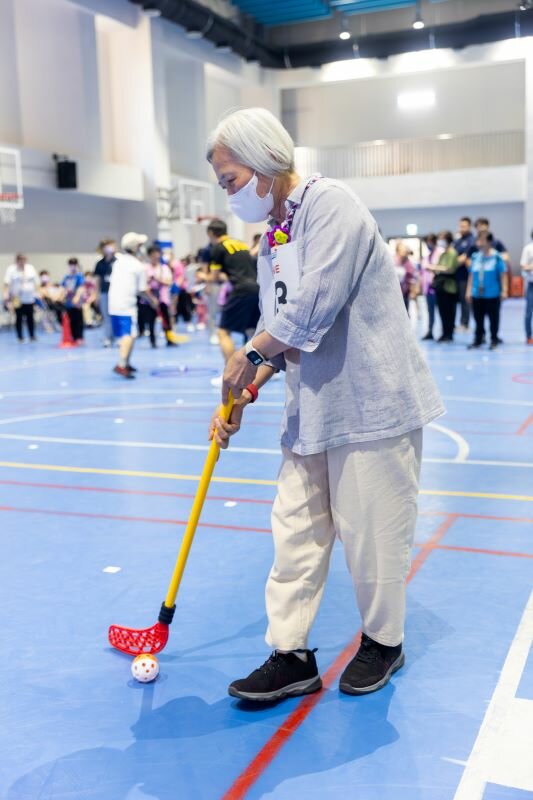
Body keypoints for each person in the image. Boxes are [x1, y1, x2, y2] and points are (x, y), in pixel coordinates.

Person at [206, 107, 444, 702]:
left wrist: (250, 356)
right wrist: (244, 392)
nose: (230, 195)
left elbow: (312, 306)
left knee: (372, 534)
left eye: (231, 180)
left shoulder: (331, 205)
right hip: (310, 407)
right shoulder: (273, 239)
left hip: (371, 403)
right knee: (294, 532)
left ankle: (383, 641)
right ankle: (292, 655)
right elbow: (275, 321)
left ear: (263, 163)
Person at [204, 218, 260, 387]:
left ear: (211, 234)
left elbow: (214, 278)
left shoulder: (217, 248)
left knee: (222, 332)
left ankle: (230, 373)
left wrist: (202, 277)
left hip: (240, 291)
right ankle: (260, 370)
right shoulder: (241, 244)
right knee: (253, 332)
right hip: (256, 289)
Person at [108, 232, 153, 378]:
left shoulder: (118, 262)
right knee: (129, 335)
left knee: (126, 335)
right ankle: (121, 365)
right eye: (140, 245)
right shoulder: (137, 265)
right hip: (126, 305)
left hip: (113, 304)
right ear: (135, 247)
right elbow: (143, 289)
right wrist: (154, 301)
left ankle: (126, 362)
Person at [466, 231, 508, 350]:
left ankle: (494, 339)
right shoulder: (475, 256)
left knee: (493, 318)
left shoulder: (497, 257)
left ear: (489, 242)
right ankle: (478, 339)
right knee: (478, 318)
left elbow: (503, 274)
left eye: (481, 240)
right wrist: (468, 291)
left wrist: (504, 290)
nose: (478, 242)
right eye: (478, 240)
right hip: (476, 293)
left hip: (492, 293)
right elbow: (471, 275)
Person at [429, 231, 459, 342]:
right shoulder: (442, 254)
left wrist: (434, 268)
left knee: (449, 312)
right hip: (440, 287)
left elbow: (450, 269)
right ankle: (444, 333)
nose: (440, 241)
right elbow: (439, 267)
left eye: (442, 239)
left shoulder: (452, 253)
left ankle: (449, 334)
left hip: (449, 287)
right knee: (442, 312)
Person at [3, 254, 39, 342]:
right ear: (17, 261)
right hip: (17, 298)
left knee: (30, 317)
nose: (22, 262)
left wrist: (37, 293)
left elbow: (37, 282)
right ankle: (20, 337)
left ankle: (32, 336)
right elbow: (6, 283)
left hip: (29, 298)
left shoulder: (30, 268)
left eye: (24, 260)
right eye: (20, 260)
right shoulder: (11, 269)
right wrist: (6, 295)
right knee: (18, 317)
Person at [453, 217, 475, 332]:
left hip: (466, 276)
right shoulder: (457, 241)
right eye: (460, 226)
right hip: (456, 275)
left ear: (469, 226)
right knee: (456, 300)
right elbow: (452, 253)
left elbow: (464, 258)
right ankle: (458, 322)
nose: (462, 228)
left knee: (464, 300)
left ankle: (465, 323)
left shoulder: (472, 240)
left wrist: (452, 262)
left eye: (464, 226)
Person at [419, 234, 443, 341]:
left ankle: (444, 332)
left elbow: (442, 268)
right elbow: (423, 272)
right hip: (428, 288)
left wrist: (432, 267)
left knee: (442, 311)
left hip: (439, 287)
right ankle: (430, 331)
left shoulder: (441, 253)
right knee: (430, 311)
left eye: (430, 241)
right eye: (427, 242)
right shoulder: (426, 256)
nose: (428, 244)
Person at [94, 240, 116, 347]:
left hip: (116, 293)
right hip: (104, 292)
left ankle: (117, 337)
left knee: (115, 315)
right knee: (106, 316)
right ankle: (107, 338)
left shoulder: (117, 261)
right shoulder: (99, 264)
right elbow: (97, 280)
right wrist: (96, 294)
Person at [61, 258, 85, 344]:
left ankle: (79, 337)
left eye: (74, 265)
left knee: (78, 320)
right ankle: (72, 336)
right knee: (70, 320)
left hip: (77, 303)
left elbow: (81, 287)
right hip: (68, 303)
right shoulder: (66, 277)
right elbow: (62, 288)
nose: (73, 267)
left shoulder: (79, 276)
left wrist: (77, 297)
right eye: (71, 265)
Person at [393, 241, 416, 311]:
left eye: (404, 249)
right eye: (402, 249)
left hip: (404, 293)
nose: (404, 251)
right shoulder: (393, 260)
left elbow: (412, 279)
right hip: (394, 293)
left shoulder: (409, 263)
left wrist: (413, 292)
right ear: (398, 251)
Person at [520, 229, 533, 345]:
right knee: (529, 312)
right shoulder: (528, 249)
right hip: (531, 285)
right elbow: (523, 266)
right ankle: (529, 336)